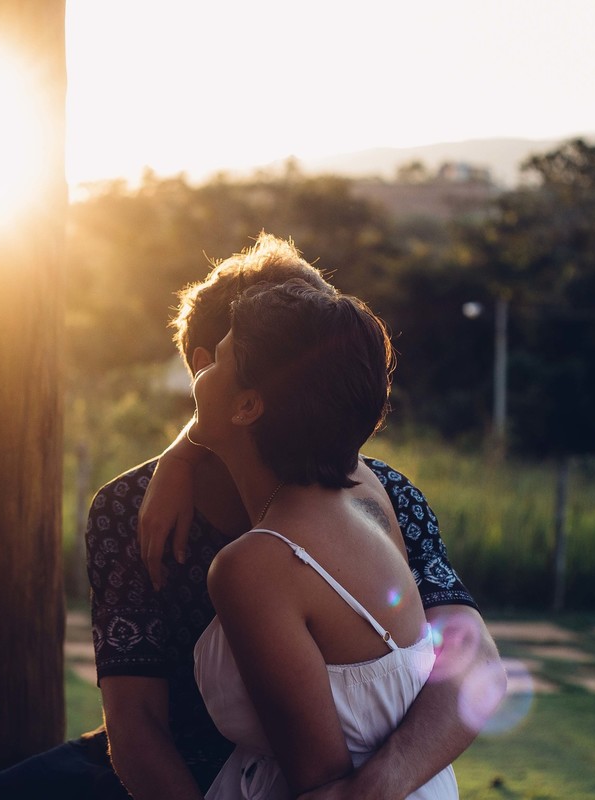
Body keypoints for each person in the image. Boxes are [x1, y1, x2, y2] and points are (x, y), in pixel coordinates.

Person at [0, 234, 504, 799]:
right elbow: (135, 722)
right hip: (174, 770)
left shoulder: (378, 493)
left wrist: (378, 785)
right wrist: (183, 452)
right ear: (206, 368)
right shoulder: (129, 507)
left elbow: (473, 662)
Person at [187, 277, 457, 798]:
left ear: (247, 407)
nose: (199, 376)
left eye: (215, 361)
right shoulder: (368, 496)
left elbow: (319, 783)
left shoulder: (256, 565)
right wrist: (180, 459)